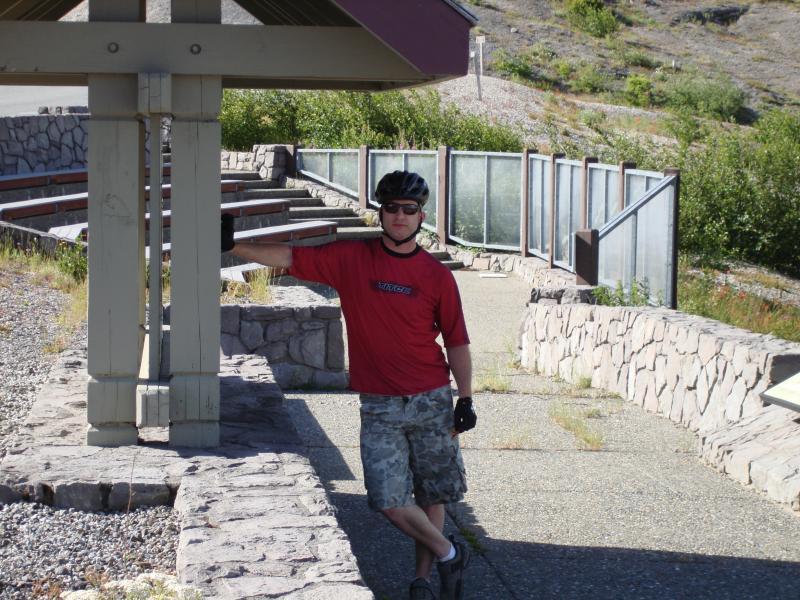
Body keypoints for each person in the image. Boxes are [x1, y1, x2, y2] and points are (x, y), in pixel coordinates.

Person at [222, 170, 477, 600]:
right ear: (380, 213)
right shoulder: (351, 259)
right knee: (387, 499)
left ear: (421, 216)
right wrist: (233, 246)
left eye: (408, 209)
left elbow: (456, 341)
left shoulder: (437, 276)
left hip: (432, 398)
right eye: (391, 208)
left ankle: (423, 581)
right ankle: (451, 553)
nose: (399, 216)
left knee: (432, 492)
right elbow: (287, 256)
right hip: (379, 403)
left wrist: (466, 398)